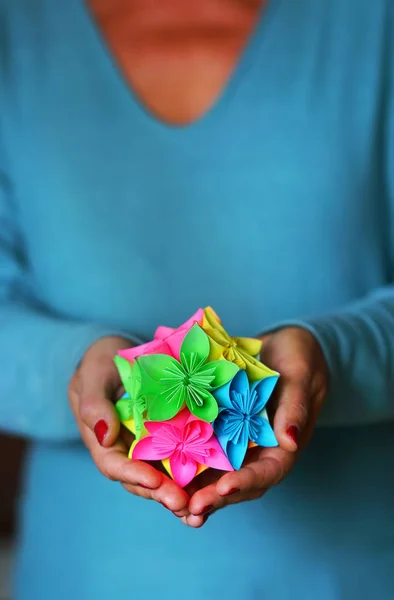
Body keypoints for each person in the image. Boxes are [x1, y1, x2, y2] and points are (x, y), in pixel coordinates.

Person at [0, 0, 393, 598]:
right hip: (89, 575)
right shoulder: (15, 34)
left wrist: (331, 355)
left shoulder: (373, 24)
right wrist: (77, 366)